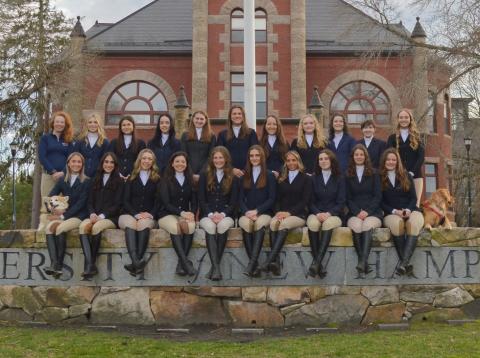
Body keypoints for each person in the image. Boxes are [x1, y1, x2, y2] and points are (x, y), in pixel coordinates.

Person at [259, 151, 311, 276]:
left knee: (283, 225)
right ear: (285, 163)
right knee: (272, 224)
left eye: (294, 160)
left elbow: (305, 201)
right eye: (288, 161)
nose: (291, 163)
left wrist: (289, 213)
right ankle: (275, 263)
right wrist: (278, 212)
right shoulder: (282, 178)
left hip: (299, 214)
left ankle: (268, 261)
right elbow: (277, 199)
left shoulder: (306, 178)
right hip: (282, 213)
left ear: (298, 162)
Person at [43, 152, 90, 278]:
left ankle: (58, 266)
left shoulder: (86, 181)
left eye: (79, 162)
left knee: (60, 228)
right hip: (63, 215)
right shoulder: (62, 180)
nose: (76, 164)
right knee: (48, 229)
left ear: (82, 164)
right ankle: (54, 264)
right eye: (73, 161)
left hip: (79, 215)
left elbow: (81, 204)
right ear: (68, 163)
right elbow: (49, 197)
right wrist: (52, 210)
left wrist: (63, 215)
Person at [78, 152, 124, 278]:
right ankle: (91, 265)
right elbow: (89, 201)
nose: (108, 164)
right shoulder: (95, 179)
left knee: (96, 228)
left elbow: (118, 204)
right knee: (82, 227)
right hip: (94, 215)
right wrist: (92, 213)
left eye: (111, 162)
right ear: (102, 163)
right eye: (106, 162)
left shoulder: (119, 181)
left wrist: (102, 216)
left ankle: (89, 265)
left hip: (110, 218)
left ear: (115, 165)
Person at [380, 148, 424, 276]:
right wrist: (394, 211)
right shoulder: (379, 177)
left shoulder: (406, 175)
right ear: (384, 161)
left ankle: (403, 264)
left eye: (393, 159)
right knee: (397, 225)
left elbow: (413, 198)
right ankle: (405, 264)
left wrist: (409, 210)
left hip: (411, 210)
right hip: (391, 212)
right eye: (388, 159)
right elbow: (380, 201)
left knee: (413, 224)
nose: (391, 162)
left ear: (397, 161)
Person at [198, 146, 239, 281]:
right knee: (210, 227)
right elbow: (202, 199)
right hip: (207, 214)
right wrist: (210, 214)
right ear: (212, 159)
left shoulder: (233, 177)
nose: (218, 160)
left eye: (221, 157)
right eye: (215, 157)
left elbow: (234, 202)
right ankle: (217, 268)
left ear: (226, 159)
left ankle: (214, 268)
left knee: (222, 227)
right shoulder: (205, 175)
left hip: (226, 215)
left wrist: (222, 214)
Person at [119, 149, 161, 276]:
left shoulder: (157, 179)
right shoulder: (131, 177)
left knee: (143, 225)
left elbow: (159, 201)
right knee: (131, 224)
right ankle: (137, 263)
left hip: (148, 215)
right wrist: (136, 214)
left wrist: (151, 214)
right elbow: (125, 200)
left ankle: (135, 264)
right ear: (139, 160)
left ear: (153, 162)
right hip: (129, 213)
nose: (146, 161)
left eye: (149, 159)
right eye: (144, 158)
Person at [238, 145, 276, 277]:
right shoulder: (244, 176)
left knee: (259, 224)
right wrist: (247, 212)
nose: (254, 158)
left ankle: (251, 264)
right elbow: (240, 199)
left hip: (264, 212)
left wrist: (257, 211)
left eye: (257, 155)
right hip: (247, 213)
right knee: (245, 225)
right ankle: (253, 265)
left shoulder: (269, 175)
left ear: (262, 157)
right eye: (251, 156)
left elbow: (272, 198)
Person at [158, 152, 197, 277]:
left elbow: (194, 201)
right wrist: (182, 213)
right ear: (172, 164)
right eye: (177, 161)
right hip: (166, 214)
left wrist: (192, 213)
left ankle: (181, 265)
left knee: (190, 227)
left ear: (186, 164)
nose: (180, 164)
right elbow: (166, 203)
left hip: (184, 214)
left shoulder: (190, 180)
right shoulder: (165, 180)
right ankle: (186, 263)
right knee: (175, 227)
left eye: (183, 162)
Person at [307, 149, 345, 278]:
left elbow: (341, 202)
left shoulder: (339, 178)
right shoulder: (313, 178)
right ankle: (320, 266)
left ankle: (316, 263)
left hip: (334, 214)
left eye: (326, 159)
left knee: (327, 224)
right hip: (316, 212)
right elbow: (310, 201)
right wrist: (318, 213)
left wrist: (329, 214)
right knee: (312, 224)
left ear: (331, 160)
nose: (323, 161)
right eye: (320, 159)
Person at [345, 144, 383, 275]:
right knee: (356, 226)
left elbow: (378, 196)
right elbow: (347, 198)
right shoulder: (348, 174)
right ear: (353, 157)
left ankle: (361, 261)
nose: (359, 157)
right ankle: (364, 263)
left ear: (365, 156)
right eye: (356, 155)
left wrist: (367, 211)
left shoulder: (374, 173)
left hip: (373, 212)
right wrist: (357, 212)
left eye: (361, 154)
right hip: (354, 212)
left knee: (366, 225)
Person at [387, 108, 425, 207]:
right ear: (398, 119)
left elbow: (421, 157)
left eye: (406, 117)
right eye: (401, 117)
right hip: (397, 176)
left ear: (410, 119)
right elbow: (388, 157)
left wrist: (411, 172)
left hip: (415, 176)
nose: (404, 119)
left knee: (415, 206)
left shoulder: (418, 137)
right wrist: (399, 172)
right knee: (399, 206)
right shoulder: (392, 138)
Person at [38, 111, 74, 208]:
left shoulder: (68, 140)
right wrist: (53, 172)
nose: (59, 124)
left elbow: (71, 159)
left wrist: (62, 172)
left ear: (65, 124)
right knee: (47, 205)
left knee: (62, 207)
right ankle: (46, 223)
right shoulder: (45, 138)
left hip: (64, 177)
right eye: (57, 121)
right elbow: (42, 157)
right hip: (48, 176)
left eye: (62, 122)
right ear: (53, 123)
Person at [217, 105, 258, 177]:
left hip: (248, 174)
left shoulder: (251, 133)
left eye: (239, 114)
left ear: (243, 116)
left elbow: (256, 154)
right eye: (234, 114)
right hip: (228, 174)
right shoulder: (222, 134)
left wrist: (246, 170)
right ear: (230, 116)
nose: (237, 116)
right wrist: (231, 169)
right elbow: (220, 155)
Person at [180, 110, 216, 183]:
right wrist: (191, 173)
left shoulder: (212, 136)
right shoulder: (185, 135)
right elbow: (183, 155)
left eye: (202, 119)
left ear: (206, 120)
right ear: (193, 119)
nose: (199, 121)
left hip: (205, 173)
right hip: (188, 172)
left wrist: (201, 173)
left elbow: (211, 156)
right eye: (197, 118)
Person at [108, 115, 146, 180]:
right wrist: (118, 174)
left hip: (134, 178)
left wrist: (132, 174)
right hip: (116, 177)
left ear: (133, 126)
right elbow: (110, 160)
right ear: (120, 127)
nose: (126, 127)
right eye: (124, 125)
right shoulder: (113, 142)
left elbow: (142, 161)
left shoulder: (141, 143)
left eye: (129, 124)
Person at [74, 113, 110, 178]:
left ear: (99, 124)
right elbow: (74, 158)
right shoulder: (79, 141)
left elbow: (106, 160)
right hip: (81, 176)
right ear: (86, 124)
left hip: (98, 177)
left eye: (95, 122)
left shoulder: (105, 142)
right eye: (90, 122)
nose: (92, 124)